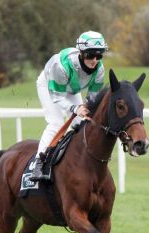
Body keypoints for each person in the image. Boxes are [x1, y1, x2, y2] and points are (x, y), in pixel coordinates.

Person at [30, 30, 108, 181]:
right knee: (57, 122)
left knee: (82, 123)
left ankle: (77, 160)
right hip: (50, 86)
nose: (94, 60)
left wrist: (87, 109)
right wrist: (76, 108)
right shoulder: (62, 66)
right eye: (90, 55)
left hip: (71, 88)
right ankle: (38, 163)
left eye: (99, 56)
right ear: (81, 52)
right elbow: (58, 96)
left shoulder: (99, 70)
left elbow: (92, 98)